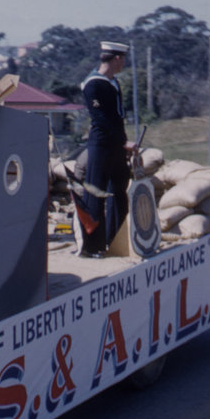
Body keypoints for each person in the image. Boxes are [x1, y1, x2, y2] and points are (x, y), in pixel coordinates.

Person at [78, 41, 136, 257]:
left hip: (116, 145)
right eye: (123, 60)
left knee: (118, 193)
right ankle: (91, 247)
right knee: (95, 195)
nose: (124, 64)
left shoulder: (113, 82)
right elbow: (101, 119)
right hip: (102, 144)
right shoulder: (93, 84)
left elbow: (117, 118)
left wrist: (123, 142)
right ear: (117, 58)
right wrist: (123, 143)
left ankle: (115, 242)